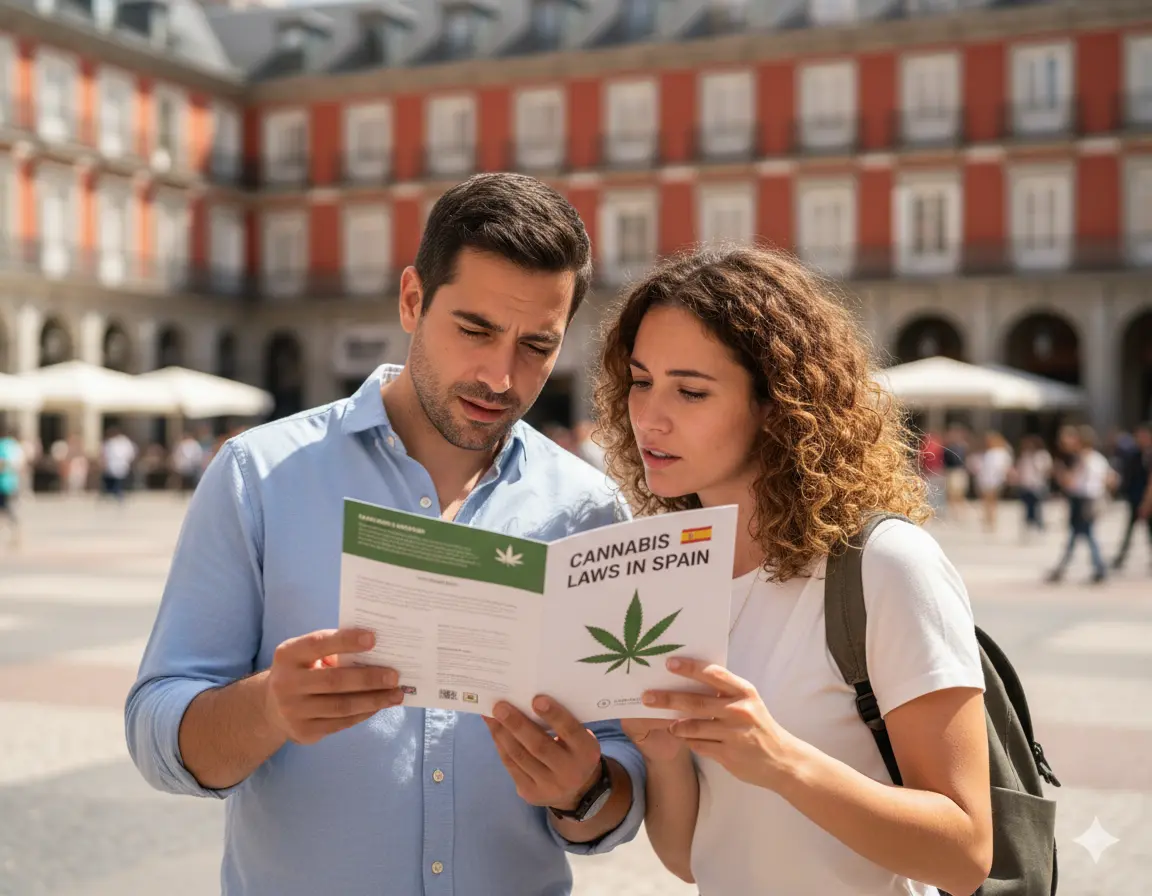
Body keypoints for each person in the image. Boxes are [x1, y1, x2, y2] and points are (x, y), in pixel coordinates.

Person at [125, 173, 645, 896]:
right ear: (411, 299)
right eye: (475, 330)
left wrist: (583, 789)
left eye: (537, 345)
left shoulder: (589, 508)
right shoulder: (260, 476)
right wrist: (269, 707)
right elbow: (156, 730)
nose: (500, 374)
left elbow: (621, 782)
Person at [593, 246, 991, 896]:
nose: (649, 416)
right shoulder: (671, 574)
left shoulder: (885, 566)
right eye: (641, 381)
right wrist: (664, 757)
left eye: (690, 390)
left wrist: (779, 761)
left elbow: (965, 853)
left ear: (777, 405)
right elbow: (696, 860)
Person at [1047, 424, 1113, 584]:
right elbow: (1111, 478)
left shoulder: (1083, 458)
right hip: (1091, 498)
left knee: (1084, 534)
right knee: (1080, 535)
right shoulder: (1098, 458)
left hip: (1082, 500)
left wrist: (1060, 473)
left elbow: (1070, 481)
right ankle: (1067, 568)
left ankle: (1097, 568)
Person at [1111, 423, 1151, 570]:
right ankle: (1121, 558)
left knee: (1149, 531)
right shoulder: (1133, 455)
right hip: (1134, 498)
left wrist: (1147, 502)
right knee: (1129, 531)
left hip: (1146, 499)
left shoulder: (1149, 455)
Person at [1010, 434, 1052, 537]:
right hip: (1026, 484)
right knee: (1027, 506)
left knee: (1037, 506)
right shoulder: (1024, 456)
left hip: (1038, 485)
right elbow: (1020, 469)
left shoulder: (1042, 455)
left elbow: (1047, 469)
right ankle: (1028, 525)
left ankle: (1039, 525)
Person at [972, 431, 1013, 533]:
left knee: (992, 501)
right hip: (985, 479)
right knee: (986, 501)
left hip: (995, 479)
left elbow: (1004, 467)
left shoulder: (1002, 452)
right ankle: (988, 519)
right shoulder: (986, 452)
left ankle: (992, 520)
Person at [0, 426, 25, 549]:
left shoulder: (3, 445)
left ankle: (15, 533)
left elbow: (3, 463)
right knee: (7, 509)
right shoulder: (15, 446)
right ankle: (15, 533)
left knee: (7, 509)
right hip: (11, 482)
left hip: (3, 483)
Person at [100, 427, 137, 501]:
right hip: (112, 464)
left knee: (119, 481)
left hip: (121, 464)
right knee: (111, 480)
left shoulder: (125, 442)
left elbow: (130, 453)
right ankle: (113, 493)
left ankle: (118, 493)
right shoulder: (110, 442)